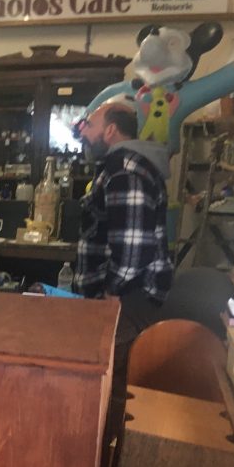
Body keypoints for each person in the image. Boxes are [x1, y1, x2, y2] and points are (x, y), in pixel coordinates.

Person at [74, 99, 173, 424]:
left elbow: (132, 249)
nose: (83, 132)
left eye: (89, 125)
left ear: (111, 130)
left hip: (125, 301)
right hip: (124, 299)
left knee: (110, 397)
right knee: (109, 393)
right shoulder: (125, 166)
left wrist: (110, 295)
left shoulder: (125, 169)